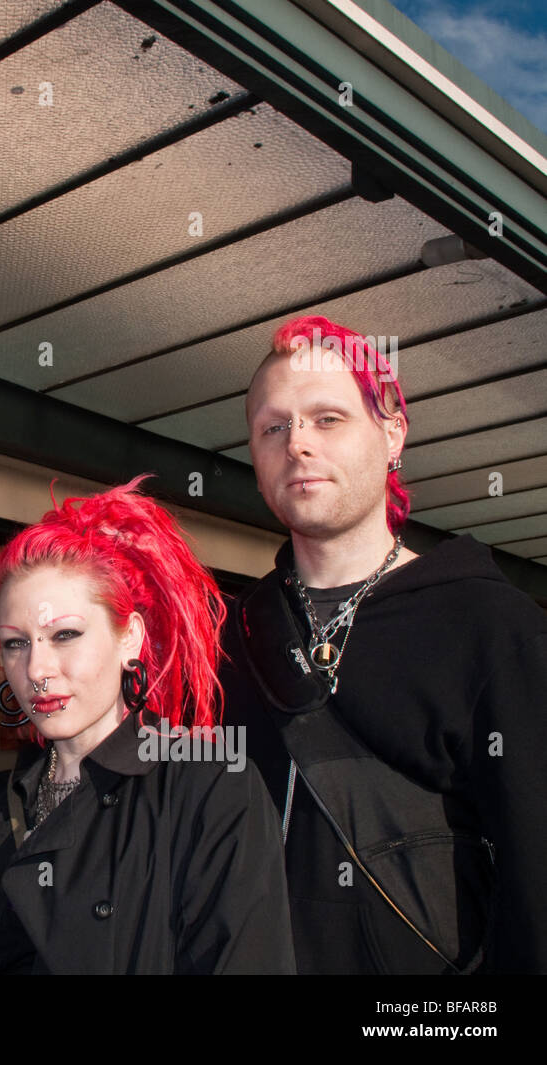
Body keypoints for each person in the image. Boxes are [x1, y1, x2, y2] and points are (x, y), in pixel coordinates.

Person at [222, 314, 547, 973]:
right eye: (273, 427)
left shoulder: (492, 625)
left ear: (393, 432)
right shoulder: (233, 635)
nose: (298, 444)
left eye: (328, 418)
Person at [0, 479, 295, 974]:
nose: (36, 670)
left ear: (130, 637)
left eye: (65, 635)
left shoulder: (209, 787)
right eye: (16, 643)